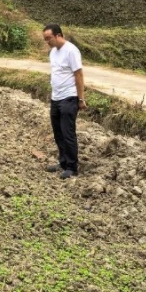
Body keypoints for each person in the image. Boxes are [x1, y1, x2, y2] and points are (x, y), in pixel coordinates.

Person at [42, 24, 86, 179]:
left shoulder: (71, 51)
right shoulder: (53, 52)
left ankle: (72, 167)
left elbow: (78, 75)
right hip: (56, 97)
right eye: (45, 39)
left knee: (68, 133)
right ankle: (63, 161)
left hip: (69, 97)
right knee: (58, 132)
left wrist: (80, 99)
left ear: (58, 35)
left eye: (49, 38)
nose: (47, 41)